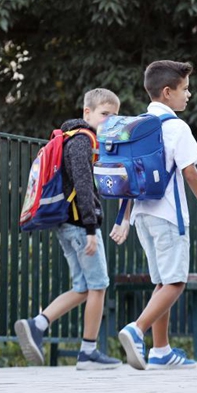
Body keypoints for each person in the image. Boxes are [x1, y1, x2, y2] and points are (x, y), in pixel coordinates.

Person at [118, 60, 197, 370]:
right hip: (168, 215)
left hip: (142, 215)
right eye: (184, 89)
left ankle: (161, 351)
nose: (188, 95)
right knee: (176, 282)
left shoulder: (135, 125)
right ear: (167, 92)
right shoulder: (176, 126)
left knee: (163, 282)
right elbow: (190, 172)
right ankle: (136, 329)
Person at [14, 88, 126, 370]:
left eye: (114, 116)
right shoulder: (83, 141)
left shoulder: (73, 138)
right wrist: (91, 227)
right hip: (80, 226)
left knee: (83, 287)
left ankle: (37, 325)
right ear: (87, 113)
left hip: (69, 224)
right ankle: (88, 352)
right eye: (104, 114)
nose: (109, 120)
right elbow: (83, 184)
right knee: (99, 286)